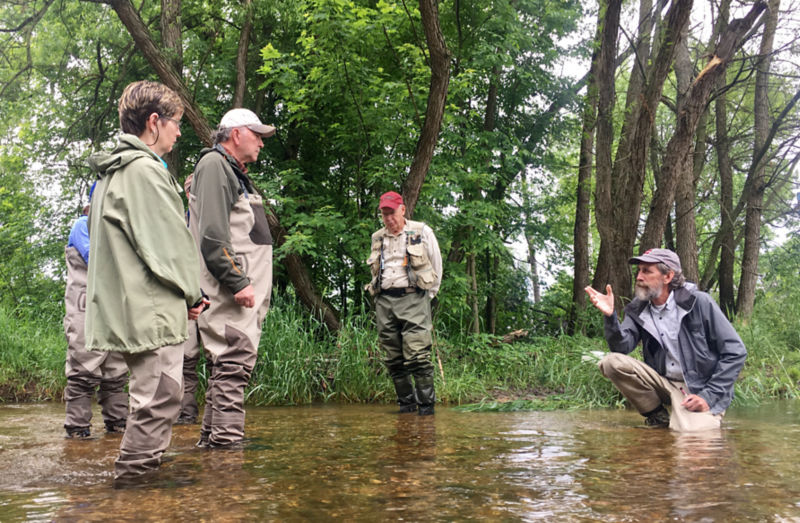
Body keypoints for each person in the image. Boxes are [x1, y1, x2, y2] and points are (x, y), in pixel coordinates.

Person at [86, 80, 208, 482]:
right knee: (159, 397)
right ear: (153, 122)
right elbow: (169, 247)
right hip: (152, 306)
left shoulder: (113, 172)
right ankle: (135, 484)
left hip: (131, 304)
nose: (178, 131)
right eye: (175, 123)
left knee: (152, 396)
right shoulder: (143, 171)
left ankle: (140, 479)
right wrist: (193, 293)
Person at [187, 108, 275, 448]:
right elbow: (211, 236)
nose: (262, 144)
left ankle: (213, 446)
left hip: (235, 295)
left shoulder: (228, 169)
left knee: (226, 367)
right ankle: (226, 455)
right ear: (236, 134)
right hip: (229, 293)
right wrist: (238, 282)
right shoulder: (214, 165)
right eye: (258, 136)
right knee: (232, 366)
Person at [584, 248, 747, 431]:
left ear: (668, 276)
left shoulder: (699, 302)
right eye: (639, 270)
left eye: (646, 271)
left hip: (699, 388)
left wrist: (709, 396)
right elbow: (621, 348)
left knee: (693, 439)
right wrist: (610, 317)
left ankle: (694, 416)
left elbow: (736, 352)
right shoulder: (638, 308)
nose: (639, 277)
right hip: (662, 381)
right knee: (611, 362)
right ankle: (656, 415)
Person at [365, 191, 442, 415]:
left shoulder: (422, 231)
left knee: (418, 355)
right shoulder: (377, 237)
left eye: (392, 213)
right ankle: (406, 407)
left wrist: (428, 295)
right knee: (393, 358)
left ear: (402, 210)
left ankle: (427, 410)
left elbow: (436, 264)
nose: (389, 219)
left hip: (414, 297)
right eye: (384, 214)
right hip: (385, 301)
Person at [63, 203, 128, 439]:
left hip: (113, 309)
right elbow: (95, 259)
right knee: (83, 370)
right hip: (85, 308)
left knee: (116, 372)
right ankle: (78, 430)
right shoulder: (83, 225)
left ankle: (118, 426)